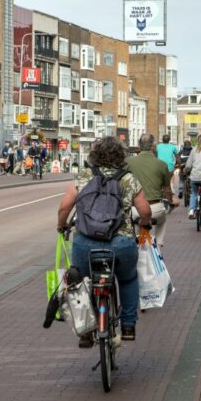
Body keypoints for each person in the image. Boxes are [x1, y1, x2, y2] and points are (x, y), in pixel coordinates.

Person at [56, 136, 151, 344]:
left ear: (94, 155)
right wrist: (145, 224)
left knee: (83, 281)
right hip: (121, 243)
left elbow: (64, 208)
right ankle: (127, 326)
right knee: (128, 279)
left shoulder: (84, 176)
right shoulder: (128, 178)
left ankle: (86, 330)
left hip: (86, 243)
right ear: (121, 156)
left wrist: (62, 226)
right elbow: (144, 210)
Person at [126, 133, 173, 255]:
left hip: (134, 209)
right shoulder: (161, 164)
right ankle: (158, 247)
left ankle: (133, 248)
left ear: (138, 146)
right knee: (162, 220)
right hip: (155, 209)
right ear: (154, 147)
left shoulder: (128, 162)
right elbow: (167, 189)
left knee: (132, 228)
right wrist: (172, 201)